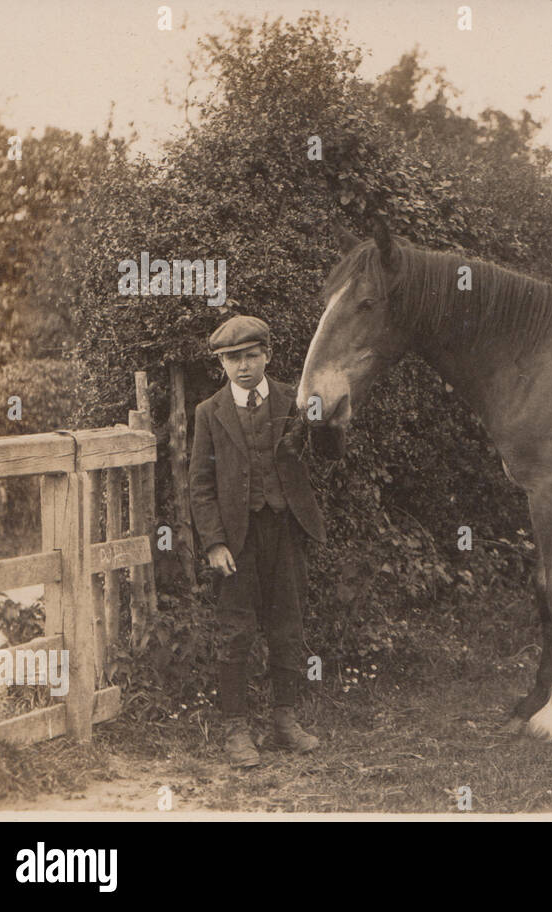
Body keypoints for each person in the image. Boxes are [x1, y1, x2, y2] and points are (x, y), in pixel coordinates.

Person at [189, 315, 327, 767]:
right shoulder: (209, 413)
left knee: (288, 626)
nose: (243, 366)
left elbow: (326, 453)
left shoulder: (295, 400)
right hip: (236, 540)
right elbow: (201, 485)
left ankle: (284, 722)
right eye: (232, 359)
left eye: (251, 355)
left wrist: (325, 416)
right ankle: (236, 729)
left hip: (285, 532)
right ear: (221, 364)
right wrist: (214, 543)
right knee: (236, 632)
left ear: (267, 354)